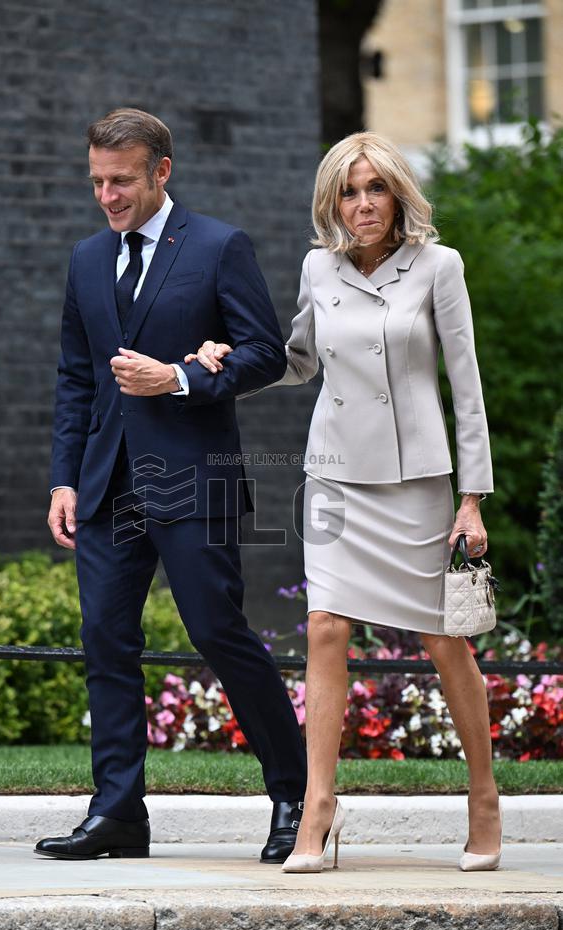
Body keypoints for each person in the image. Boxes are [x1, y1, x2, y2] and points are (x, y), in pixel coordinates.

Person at [186, 132, 502, 874]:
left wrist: (472, 498)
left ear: (398, 195)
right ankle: (319, 806)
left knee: (442, 641)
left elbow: (468, 386)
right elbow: (297, 359)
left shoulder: (439, 267)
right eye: (349, 192)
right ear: (332, 202)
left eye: (375, 189)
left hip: (417, 479)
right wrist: (226, 358)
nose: (363, 204)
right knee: (325, 626)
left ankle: (483, 795)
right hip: (334, 473)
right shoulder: (316, 268)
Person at [36, 108, 307, 863]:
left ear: (162, 171)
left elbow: (263, 353)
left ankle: (296, 796)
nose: (107, 196)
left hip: (194, 479)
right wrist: (64, 478)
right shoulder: (87, 259)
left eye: (120, 180)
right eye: (96, 181)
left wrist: (181, 377)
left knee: (218, 633)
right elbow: (75, 378)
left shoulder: (220, 246)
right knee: (104, 641)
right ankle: (117, 813)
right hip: (105, 485)